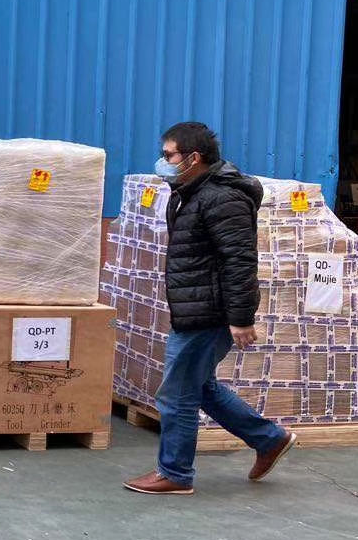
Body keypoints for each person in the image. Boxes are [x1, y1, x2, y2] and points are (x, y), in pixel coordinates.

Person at [123, 123, 297, 495]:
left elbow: (239, 260)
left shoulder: (222, 199)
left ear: (193, 158)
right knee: (200, 387)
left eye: (168, 154)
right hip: (194, 307)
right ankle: (269, 439)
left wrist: (240, 317)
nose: (163, 161)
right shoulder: (188, 192)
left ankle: (175, 473)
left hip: (210, 312)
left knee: (176, 394)